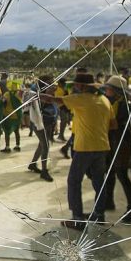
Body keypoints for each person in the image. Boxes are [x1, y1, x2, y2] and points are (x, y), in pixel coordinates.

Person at [43, 72, 112, 228]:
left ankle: (78, 219)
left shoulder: (80, 99)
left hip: (84, 147)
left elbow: (52, 100)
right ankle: (99, 215)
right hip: (102, 146)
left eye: (76, 84)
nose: (74, 87)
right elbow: (112, 124)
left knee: (74, 181)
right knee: (99, 181)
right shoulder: (104, 100)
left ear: (81, 86)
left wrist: (33, 94)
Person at [101, 75, 131, 222]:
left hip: (122, 144)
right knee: (110, 173)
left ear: (116, 91)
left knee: (122, 175)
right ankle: (109, 201)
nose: (106, 91)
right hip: (113, 142)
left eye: (108, 89)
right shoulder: (115, 102)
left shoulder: (124, 105)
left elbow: (117, 125)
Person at [28, 76, 56, 182]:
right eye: (50, 83)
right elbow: (37, 108)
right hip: (39, 123)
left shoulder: (48, 92)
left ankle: (33, 164)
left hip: (48, 122)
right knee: (45, 145)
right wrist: (48, 93)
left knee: (42, 144)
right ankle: (44, 171)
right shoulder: (37, 94)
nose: (52, 85)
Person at [0, 83, 22, 153]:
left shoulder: (7, 94)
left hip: (8, 115)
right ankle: (17, 146)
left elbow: (3, 102)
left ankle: (7, 147)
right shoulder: (19, 95)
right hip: (18, 115)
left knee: (7, 132)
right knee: (17, 131)